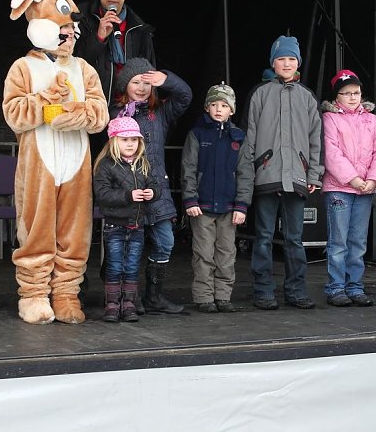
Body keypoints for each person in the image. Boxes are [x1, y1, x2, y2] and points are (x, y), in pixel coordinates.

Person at [3, 0, 110, 325]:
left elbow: (100, 114)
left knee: (74, 233)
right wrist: (43, 103)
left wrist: (73, 114)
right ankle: (33, 294)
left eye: (72, 28)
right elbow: (14, 114)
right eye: (63, 28)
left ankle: (66, 293)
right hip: (40, 163)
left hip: (75, 163)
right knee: (37, 230)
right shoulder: (23, 67)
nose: (71, 34)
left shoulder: (84, 69)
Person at [240, 35, 324, 310]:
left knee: (294, 239)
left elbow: (316, 140)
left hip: (297, 178)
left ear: (298, 63)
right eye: (281, 58)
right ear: (273, 62)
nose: (286, 64)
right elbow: (248, 138)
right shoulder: (259, 93)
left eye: (291, 59)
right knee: (263, 237)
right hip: (266, 175)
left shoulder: (307, 97)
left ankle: (296, 290)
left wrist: (314, 175)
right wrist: (248, 174)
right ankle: (263, 290)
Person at [111, 57, 192, 314]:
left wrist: (166, 79)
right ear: (125, 85)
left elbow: (185, 97)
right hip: (127, 190)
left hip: (158, 190)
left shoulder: (162, 112)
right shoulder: (116, 113)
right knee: (126, 246)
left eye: (146, 83)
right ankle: (125, 298)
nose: (142, 87)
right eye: (136, 82)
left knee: (165, 242)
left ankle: (154, 297)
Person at [181, 83, 252, 313]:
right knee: (203, 254)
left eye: (224, 105)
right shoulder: (197, 134)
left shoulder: (239, 137)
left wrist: (241, 206)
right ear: (207, 107)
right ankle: (204, 297)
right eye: (214, 104)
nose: (219, 109)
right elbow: (188, 168)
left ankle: (223, 296)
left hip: (230, 208)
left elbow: (245, 174)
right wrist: (190, 200)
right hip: (201, 207)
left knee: (226, 254)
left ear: (231, 110)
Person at [320, 69, 376, 307]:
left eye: (356, 93)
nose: (352, 97)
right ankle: (336, 287)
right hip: (340, 187)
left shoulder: (371, 118)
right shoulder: (330, 119)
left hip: (365, 189)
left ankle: (355, 286)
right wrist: (353, 178)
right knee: (338, 241)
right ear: (336, 96)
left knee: (358, 241)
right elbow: (331, 153)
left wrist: (374, 179)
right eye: (346, 93)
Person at [93, 117, 160, 323]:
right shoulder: (106, 165)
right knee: (114, 265)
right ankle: (112, 304)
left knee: (131, 266)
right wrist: (128, 195)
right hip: (115, 225)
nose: (130, 144)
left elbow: (155, 186)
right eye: (124, 139)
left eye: (133, 139)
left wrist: (152, 193)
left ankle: (129, 303)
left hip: (137, 225)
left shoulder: (142, 164)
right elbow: (102, 194)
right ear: (114, 141)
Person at [75, 0, 156, 105]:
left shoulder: (140, 29)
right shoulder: (80, 18)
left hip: (126, 105)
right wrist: (99, 37)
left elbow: (150, 73)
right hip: (91, 103)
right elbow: (73, 63)